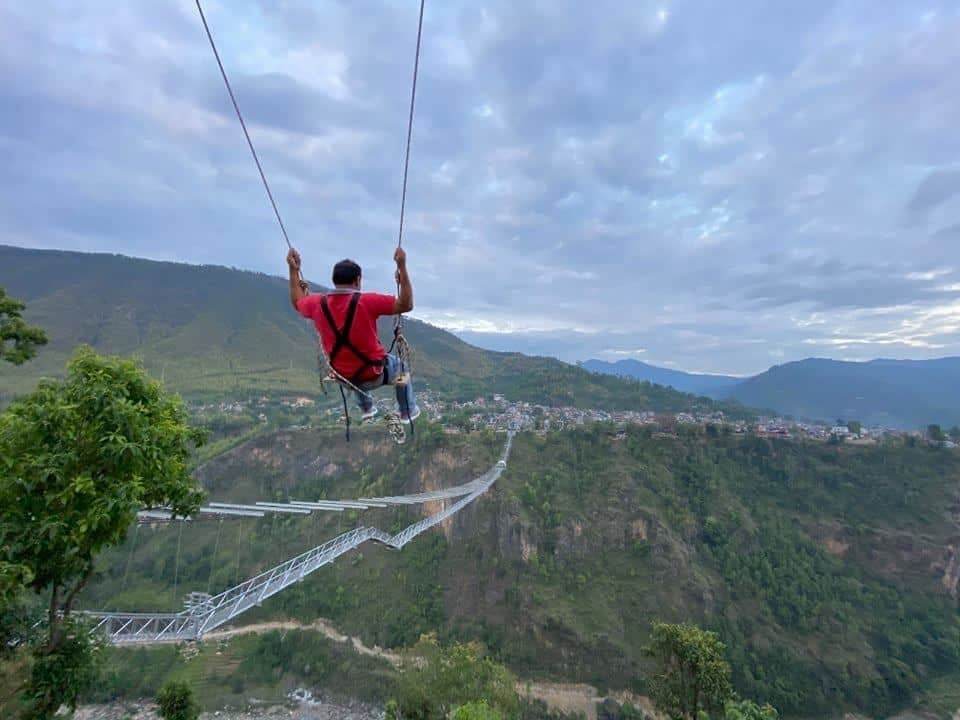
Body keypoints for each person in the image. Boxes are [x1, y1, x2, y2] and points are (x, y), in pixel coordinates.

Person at [287, 246, 420, 423]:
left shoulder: (317, 303)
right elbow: (406, 304)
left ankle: (366, 407)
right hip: (375, 374)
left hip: (344, 377)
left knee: (350, 363)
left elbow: (297, 302)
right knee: (400, 366)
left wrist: (293, 270)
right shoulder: (366, 302)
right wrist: (402, 267)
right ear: (358, 280)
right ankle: (407, 410)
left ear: (334, 280)